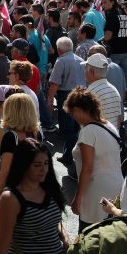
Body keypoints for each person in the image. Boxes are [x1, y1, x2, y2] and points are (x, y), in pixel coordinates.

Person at [64, 87, 124, 232]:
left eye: (72, 113)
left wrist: (78, 198)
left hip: (96, 191)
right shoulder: (109, 125)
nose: (73, 117)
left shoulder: (88, 132)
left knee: (89, 234)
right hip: (117, 187)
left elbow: (87, 168)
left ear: (78, 109)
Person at [0, 92, 42, 221]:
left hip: (11, 193)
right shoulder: (36, 134)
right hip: (31, 190)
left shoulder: (11, 137)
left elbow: (5, 172)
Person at [47, 36, 86, 165]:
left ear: (59, 50)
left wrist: (49, 100)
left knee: (66, 128)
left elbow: (54, 83)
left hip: (66, 96)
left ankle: (73, 154)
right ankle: (69, 154)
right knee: (75, 126)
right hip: (81, 95)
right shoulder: (80, 60)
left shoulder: (61, 61)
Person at [84, 53, 122, 131]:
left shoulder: (90, 92)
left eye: (86, 69)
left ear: (91, 72)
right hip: (113, 137)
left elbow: (87, 121)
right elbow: (119, 119)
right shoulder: (114, 89)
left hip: (97, 139)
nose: (84, 72)